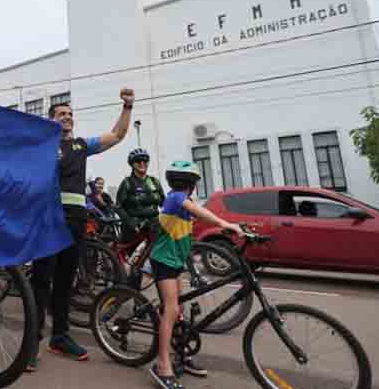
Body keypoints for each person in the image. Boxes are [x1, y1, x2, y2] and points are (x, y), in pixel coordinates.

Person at [28, 89, 135, 371]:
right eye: (62, 114)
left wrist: (127, 106)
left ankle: (59, 337)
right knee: (41, 282)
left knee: (65, 281)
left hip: (75, 220)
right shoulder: (40, 146)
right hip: (48, 220)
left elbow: (117, 136)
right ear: (51, 120)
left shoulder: (80, 146)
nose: (68, 118)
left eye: (71, 114)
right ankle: (31, 343)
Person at [148, 161, 243, 389]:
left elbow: (184, 240)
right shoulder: (175, 199)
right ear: (192, 185)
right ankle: (162, 365)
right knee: (171, 310)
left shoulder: (184, 205)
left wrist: (192, 270)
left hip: (176, 261)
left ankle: (179, 355)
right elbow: (198, 210)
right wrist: (224, 223)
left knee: (178, 310)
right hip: (163, 261)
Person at [115, 148, 166, 284]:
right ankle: (135, 300)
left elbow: (164, 202)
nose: (142, 163)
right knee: (136, 266)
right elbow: (118, 206)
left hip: (154, 227)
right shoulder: (127, 183)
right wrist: (131, 222)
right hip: (134, 230)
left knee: (159, 264)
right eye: (138, 161)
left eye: (145, 160)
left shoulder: (154, 182)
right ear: (132, 164)